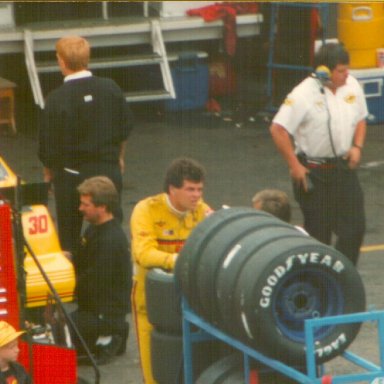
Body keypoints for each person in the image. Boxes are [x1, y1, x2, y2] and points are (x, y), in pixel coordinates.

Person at [270, 42, 368, 265]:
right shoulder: (303, 94)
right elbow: (278, 129)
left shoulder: (352, 85)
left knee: (354, 229)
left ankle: (342, 277)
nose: (347, 74)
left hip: (343, 169)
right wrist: (295, 166)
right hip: (313, 173)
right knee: (319, 235)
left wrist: (357, 146)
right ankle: (319, 284)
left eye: (347, 69)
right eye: (341, 70)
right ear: (324, 71)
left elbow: (361, 118)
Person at [38, 35, 134, 256]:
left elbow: (48, 147)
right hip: (107, 173)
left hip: (72, 176)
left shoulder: (56, 99)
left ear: (61, 61)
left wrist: (48, 174)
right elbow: (124, 128)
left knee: (69, 237)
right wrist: (119, 157)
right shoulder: (110, 88)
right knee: (110, 229)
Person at [130, 157, 212, 384]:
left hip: (190, 300)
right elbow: (144, 254)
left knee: (193, 369)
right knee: (156, 373)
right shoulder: (146, 210)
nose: (196, 195)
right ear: (172, 189)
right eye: (190, 189)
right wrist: (179, 260)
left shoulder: (202, 210)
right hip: (151, 303)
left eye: (199, 189)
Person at [70, 176, 131, 365]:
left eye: (85, 205)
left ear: (102, 207)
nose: (80, 209)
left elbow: (93, 281)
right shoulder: (95, 228)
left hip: (103, 312)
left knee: (57, 336)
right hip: (94, 307)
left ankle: (109, 335)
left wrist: (61, 291)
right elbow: (83, 259)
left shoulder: (110, 241)